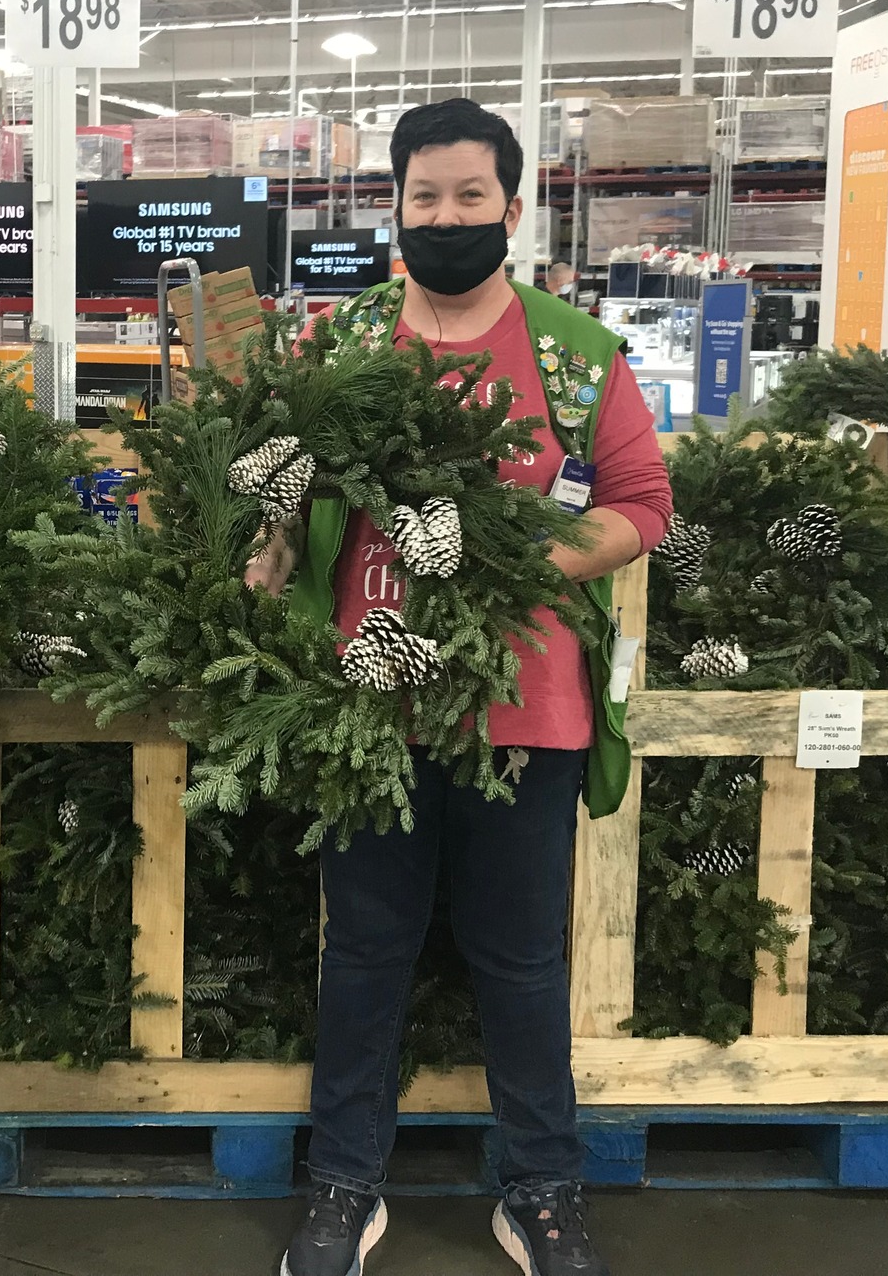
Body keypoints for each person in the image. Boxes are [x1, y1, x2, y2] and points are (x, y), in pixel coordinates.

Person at [252, 98, 671, 1276]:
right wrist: (266, 543)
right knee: (363, 952)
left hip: (525, 710)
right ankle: (343, 1186)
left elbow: (640, 504)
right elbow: (279, 479)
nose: (445, 217)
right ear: (394, 206)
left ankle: (540, 1190)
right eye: (423, 197)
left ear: (511, 208)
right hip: (367, 709)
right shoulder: (337, 346)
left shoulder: (572, 356)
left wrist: (526, 564)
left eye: (468, 196)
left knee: (520, 959)